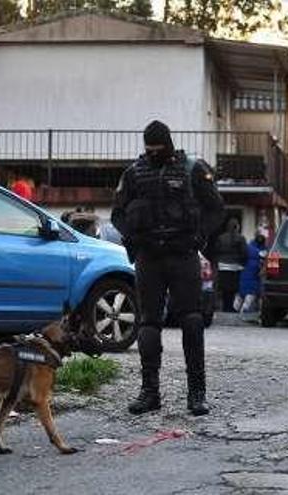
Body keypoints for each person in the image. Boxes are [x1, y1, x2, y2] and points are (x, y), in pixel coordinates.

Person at [112, 120, 224, 416]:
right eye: (149, 150)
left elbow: (216, 209)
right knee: (148, 324)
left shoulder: (193, 169)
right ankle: (149, 392)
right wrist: (132, 237)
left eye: (158, 149)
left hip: (183, 254)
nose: (153, 155)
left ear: (169, 144)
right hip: (149, 256)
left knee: (191, 319)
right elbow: (117, 214)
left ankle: (196, 394)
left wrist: (200, 239)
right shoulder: (134, 173)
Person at [214, 218, 248, 311]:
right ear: (237, 227)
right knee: (233, 289)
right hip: (235, 266)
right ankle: (230, 307)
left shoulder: (221, 238)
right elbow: (244, 253)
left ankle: (225, 307)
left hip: (223, 265)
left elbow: (216, 250)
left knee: (224, 289)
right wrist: (242, 263)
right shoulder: (240, 238)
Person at [238, 232, 267, 314]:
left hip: (245, 276)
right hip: (254, 279)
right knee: (251, 294)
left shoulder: (248, 248)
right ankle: (245, 310)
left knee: (241, 294)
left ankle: (237, 309)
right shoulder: (262, 253)